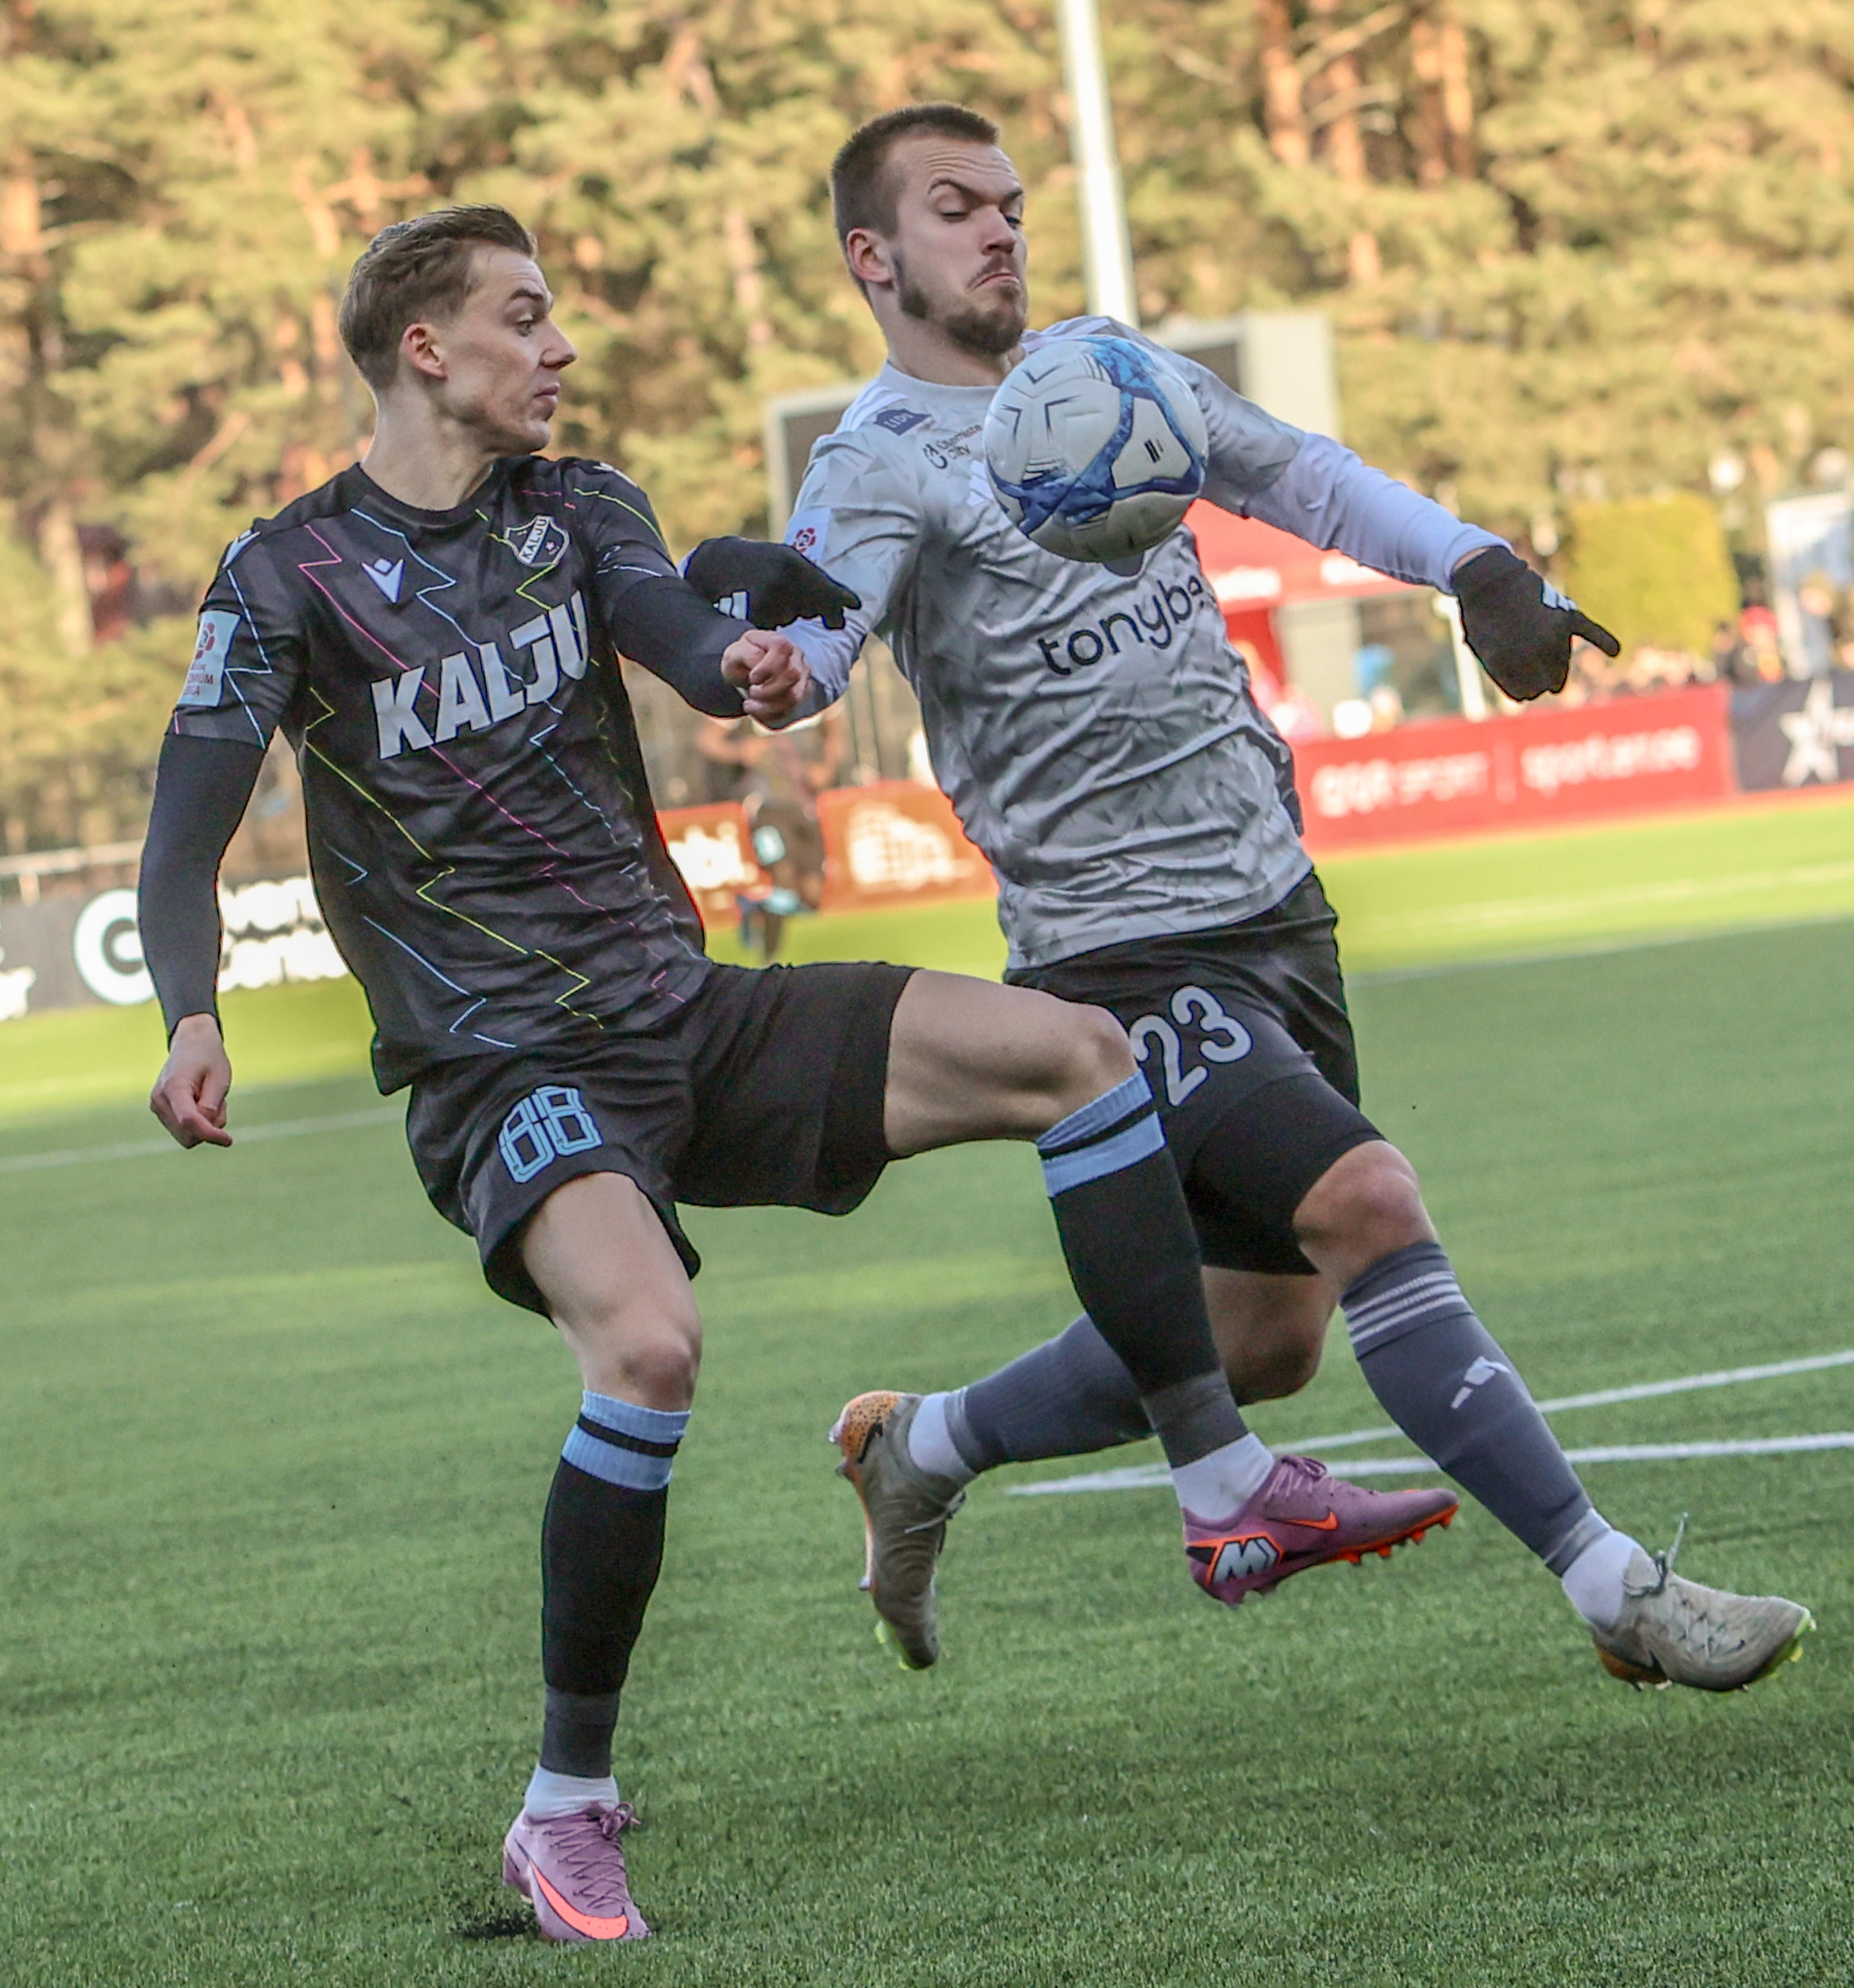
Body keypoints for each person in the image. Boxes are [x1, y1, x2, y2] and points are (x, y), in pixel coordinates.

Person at [135, 204, 1438, 1945]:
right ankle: (564, 1811)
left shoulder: (578, 505)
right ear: (425, 348)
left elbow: (682, 640)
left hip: (687, 1016)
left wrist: (747, 658)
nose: (560, 346)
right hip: (503, 1061)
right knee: (649, 1346)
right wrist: (192, 1010)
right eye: (526, 316)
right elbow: (184, 830)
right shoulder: (283, 574)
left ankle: (1217, 1486)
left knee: (1078, 1052)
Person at [692, 103, 1812, 1693]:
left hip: (1274, 908)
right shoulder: (874, 462)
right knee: (1369, 1202)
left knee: (1264, 1342)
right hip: (1115, 954)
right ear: (871, 258)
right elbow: (809, 648)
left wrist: (1475, 564)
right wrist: (763, 655)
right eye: (956, 208)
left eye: (1011, 202)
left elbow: (1300, 477)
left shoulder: (1112, 369)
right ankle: (1615, 1586)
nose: (1000, 229)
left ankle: (921, 1445)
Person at [696, 703, 846, 958]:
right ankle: (770, 960)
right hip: (765, 805)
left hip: (803, 804)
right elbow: (707, 740)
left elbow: (835, 732)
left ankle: (753, 906)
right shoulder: (744, 697)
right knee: (783, 875)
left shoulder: (815, 690)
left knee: (813, 896)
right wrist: (739, 751)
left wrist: (827, 767)